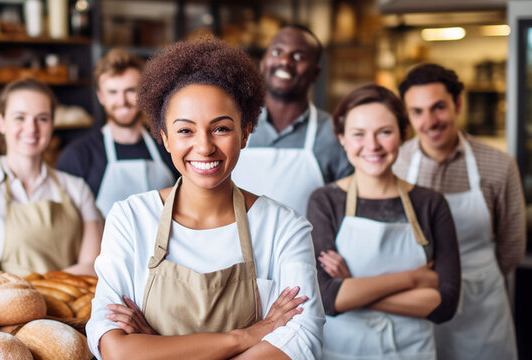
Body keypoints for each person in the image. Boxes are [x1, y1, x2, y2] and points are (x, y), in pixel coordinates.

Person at [85, 38, 324, 360]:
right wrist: (244, 337)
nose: (205, 147)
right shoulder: (130, 219)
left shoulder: (284, 227)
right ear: (165, 138)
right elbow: (116, 350)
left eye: (221, 128)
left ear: (245, 133)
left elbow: (303, 342)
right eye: (185, 131)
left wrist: (159, 348)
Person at [308, 85, 461, 359]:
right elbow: (328, 298)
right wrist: (413, 279)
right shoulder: (325, 201)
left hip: (413, 353)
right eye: (358, 134)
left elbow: (445, 305)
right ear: (341, 138)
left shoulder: (431, 204)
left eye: (385, 132)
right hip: (344, 353)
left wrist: (352, 286)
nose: (372, 146)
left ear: (403, 135)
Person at [393, 63, 524, 359]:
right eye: (417, 111)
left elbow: (512, 247)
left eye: (438, 107)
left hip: (481, 307)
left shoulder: (499, 165)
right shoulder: (395, 163)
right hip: (415, 305)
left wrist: (478, 274)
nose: (429, 121)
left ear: (458, 104)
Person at [0, 78, 103, 277]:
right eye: (20, 118)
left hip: (80, 299)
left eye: (42, 119)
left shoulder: (77, 188)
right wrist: (57, 285)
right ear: (1, 123)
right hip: (9, 301)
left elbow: (93, 267)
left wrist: (37, 285)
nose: (31, 128)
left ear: (52, 124)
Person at [231, 25, 352, 215]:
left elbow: (346, 209)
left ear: (315, 73)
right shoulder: (234, 125)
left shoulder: (334, 135)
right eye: (277, 52)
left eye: (298, 57)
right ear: (263, 62)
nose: (285, 61)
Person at [57, 49, 177, 215]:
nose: (122, 101)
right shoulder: (77, 156)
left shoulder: (169, 146)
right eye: (113, 92)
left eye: (130, 90)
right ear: (101, 96)